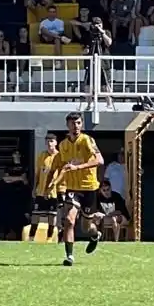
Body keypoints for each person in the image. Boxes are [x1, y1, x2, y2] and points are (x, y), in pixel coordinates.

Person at [50, 111, 104, 266]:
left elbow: (100, 160)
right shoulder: (63, 145)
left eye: (79, 123)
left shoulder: (87, 140)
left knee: (86, 227)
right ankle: (69, 256)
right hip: (73, 188)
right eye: (73, 123)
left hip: (89, 188)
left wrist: (78, 167)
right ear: (67, 125)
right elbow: (61, 167)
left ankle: (95, 235)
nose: (76, 126)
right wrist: (52, 183)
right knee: (69, 220)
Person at [28, 133, 60, 242]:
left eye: (51, 141)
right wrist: (34, 188)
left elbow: (58, 175)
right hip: (40, 191)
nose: (49, 143)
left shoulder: (59, 156)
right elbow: (38, 173)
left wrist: (51, 188)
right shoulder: (42, 155)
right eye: (47, 141)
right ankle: (31, 238)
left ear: (56, 143)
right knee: (35, 215)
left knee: (52, 216)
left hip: (53, 192)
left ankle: (49, 238)